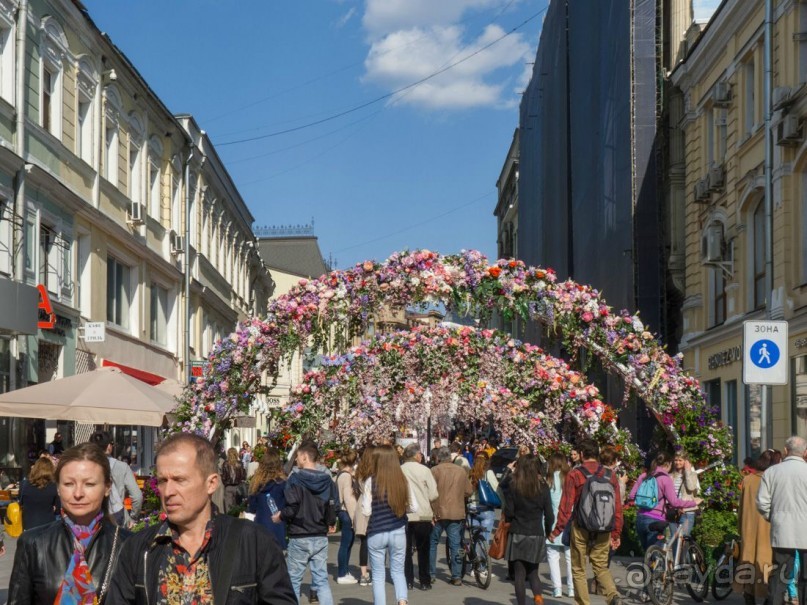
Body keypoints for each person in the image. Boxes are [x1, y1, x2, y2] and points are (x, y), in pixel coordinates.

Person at [108, 432, 296, 604]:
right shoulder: (139, 549)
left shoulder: (253, 542)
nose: (168, 492)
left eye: (180, 480)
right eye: (163, 481)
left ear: (211, 484)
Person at [8, 443, 130, 604]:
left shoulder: (129, 545)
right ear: (57, 488)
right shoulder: (33, 543)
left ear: (107, 487)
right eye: (68, 484)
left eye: (89, 484)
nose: (78, 493)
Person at [549, 439, 624, 605]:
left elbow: (566, 506)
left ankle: (584, 603)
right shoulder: (609, 475)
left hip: (581, 526)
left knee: (578, 569)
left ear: (582, 454)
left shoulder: (575, 474)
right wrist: (616, 533)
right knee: (601, 566)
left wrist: (557, 530)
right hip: (604, 527)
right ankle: (612, 595)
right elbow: (617, 506)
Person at [273, 441, 339, 605]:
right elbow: (334, 505)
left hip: (300, 534)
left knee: (293, 581)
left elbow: (292, 506)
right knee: (321, 580)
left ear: (304, 457)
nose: (296, 460)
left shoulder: (295, 479)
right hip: (320, 534)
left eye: (297, 457)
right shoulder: (327, 480)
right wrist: (330, 521)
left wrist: (280, 516)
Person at [362, 444, 418, 605]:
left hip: (377, 530)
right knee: (398, 572)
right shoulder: (402, 480)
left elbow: (366, 510)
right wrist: (400, 507)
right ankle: (402, 601)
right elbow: (414, 507)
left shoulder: (370, 481)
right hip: (398, 529)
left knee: (378, 575)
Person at [757, 436, 807, 605]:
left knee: (780, 575)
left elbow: (762, 502)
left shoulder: (772, 472)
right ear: (805, 452)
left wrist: (773, 517)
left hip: (782, 529)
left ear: (786, 451)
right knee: (806, 577)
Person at [501, 454, 554, 605]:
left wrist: (510, 520)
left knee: (519, 575)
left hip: (518, 532)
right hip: (536, 533)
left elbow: (509, 512)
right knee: (533, 573)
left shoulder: (514, 485)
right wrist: (549, 531)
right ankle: (538, 600)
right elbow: (549, 515)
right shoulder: (543, 487)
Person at [628, 451, 699, 552]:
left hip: (640, 518)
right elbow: (674, 502)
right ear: (669, 463)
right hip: (655, 520)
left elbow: (631, 496)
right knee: (655, 556)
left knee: (648, 555)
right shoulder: (665, 479)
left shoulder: (644, 476)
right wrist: (693, 503)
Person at [735, 449, 776, 605]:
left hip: (748, 526)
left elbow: (741, 507)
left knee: (747, 560)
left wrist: (740, 527)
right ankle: (767, 596)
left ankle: (748, 594)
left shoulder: (748, 480)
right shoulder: (772, 479)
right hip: (767, 525)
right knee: (765, 562)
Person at [430, 446, 473, 586]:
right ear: (450, 457)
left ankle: (431, 574)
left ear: (438, 458)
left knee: (433, 543)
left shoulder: (434, 471)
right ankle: (457, 575)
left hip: (437, 512)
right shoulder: (461, 471)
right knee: (456, 545)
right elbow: (469, 491)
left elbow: (429, 492)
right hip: (456, 511)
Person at [401, 443, 439, 591]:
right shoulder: (424, 470)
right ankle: (424, 581)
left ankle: (408, 580)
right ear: (417, 455)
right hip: (423, 514)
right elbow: (433, 494)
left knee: (406, 550)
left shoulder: (400, 470)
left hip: (405, 514)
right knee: (424, 549)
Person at [89, 430, 143, 526]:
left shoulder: (84, 466)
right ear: (109, 447)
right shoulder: (122, 466)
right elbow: (137, 496)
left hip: (90, 517)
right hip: (117, 516)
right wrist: (132, 517)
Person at [247, 447, 287, 551]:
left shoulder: (256, 485)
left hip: (260, 526)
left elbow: (252, 508)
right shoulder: (282, 484)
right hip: (278, 527)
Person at [546, 452, 573, 599]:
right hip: (569, 521)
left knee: (553, 555)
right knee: (570, 556)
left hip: (552, 522)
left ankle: (557, 588)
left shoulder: (549, 479)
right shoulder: (570, 477)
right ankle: (571, 588)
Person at [335, 449, 360, 584]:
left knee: (348, 544)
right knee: (345, 544)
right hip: (346, 512)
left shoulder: (341, 474)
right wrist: (353, 518)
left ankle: (345, 570)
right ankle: (342, 573)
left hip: (343, 512)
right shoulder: (346, 476)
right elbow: (348, 499)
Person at [355, 445, 379, 586]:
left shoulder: (359, 470)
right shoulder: (376, 471)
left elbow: (358, 489)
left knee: (364, 541)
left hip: (361, 503)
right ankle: (376, 572)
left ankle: (363, 574)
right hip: (373, 504)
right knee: (376, 540)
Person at [468, 451, 498, 562]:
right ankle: (482, 567)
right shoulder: (488, 473)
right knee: (484, 538)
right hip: (485, 508)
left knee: (474, 538)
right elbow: (497, 488)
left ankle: (474, 566)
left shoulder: (470, 473)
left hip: (472, 507)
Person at [19, 456, 59, 530]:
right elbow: (58, 509)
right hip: (47, 526)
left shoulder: (24, 484)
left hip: (28, 526)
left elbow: (20, 502)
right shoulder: (54, 486)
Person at [669, 450, 700, 538]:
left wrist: (687, 471)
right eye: (675, 460)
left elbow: (691, 487)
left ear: (685, 461)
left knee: (683, 540)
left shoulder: (692, 474)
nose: (677, 462)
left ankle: (687, 552)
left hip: (687, 512)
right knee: (673, 540)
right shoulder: (670, 475)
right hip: (673, 512)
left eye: (680, 460)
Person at [221, 446, 246, 513]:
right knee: (238, 507)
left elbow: (223, 477)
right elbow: (243, 476)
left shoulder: (225, 464)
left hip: (228, 487)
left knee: (228, 508)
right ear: (236, 454)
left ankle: (229, 522)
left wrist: (226, 483)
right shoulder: (240, 463)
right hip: (238, 487)